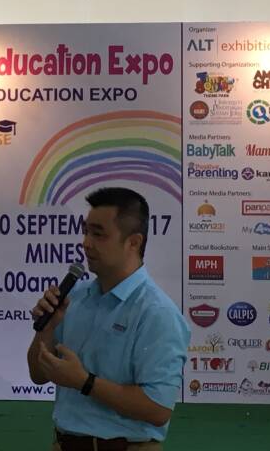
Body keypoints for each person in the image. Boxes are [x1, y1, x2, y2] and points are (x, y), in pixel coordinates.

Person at [27, 187, 190, 451]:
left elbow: (158, 409)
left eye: (98, 234)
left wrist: (84, 382)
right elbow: (37, 375)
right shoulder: (73, 298)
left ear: (133, 242)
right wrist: (46, 330)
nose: (86, 243)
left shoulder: (157, 313)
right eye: (86, 232)